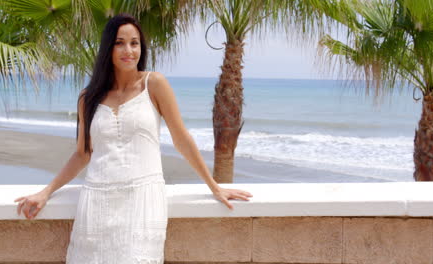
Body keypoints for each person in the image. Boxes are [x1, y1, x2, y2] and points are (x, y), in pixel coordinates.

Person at [13, 13, 253, 263]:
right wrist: (46, 192)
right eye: (119, 43)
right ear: (108, 48)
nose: (128, 50)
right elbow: (83, 154)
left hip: (142, 200)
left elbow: (181, 139)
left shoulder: (154, 84)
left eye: (134, 43)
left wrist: (214, 187)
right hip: (97, 201)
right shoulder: (88, 97)